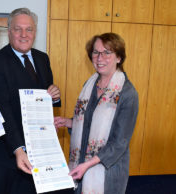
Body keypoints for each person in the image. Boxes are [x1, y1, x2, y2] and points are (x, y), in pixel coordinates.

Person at [0, 7, 62, 194]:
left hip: (37, 150)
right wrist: (18, 148)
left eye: (29, 29)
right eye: (18, 29)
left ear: (35, 32)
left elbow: (44, 97)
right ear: (9, 31)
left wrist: (54, 96)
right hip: (5, 154)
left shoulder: (42, 58)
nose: (24, 34)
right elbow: (2, 108)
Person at [54, 33, 139, 194]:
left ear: (119, 57)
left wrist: (88, 164)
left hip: (107, 171)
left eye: (107, 52)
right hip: (81, 162)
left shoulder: (128, 93)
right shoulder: (90, 84)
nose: (100, 58)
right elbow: (87, 122)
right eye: (96, 52)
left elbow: (119, 142)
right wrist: (67, 122)